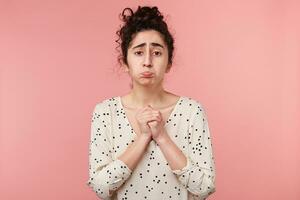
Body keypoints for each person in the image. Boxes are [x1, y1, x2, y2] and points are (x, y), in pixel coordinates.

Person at [86, 5, 216, 200]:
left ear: (169, 62)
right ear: (125, 63)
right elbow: (101, 188)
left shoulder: (191, 112)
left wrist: (162, 137)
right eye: (138, 52)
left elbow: (204, 187)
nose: (147, 61)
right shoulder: (106, 112)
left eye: (156, 53)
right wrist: (142, 139)